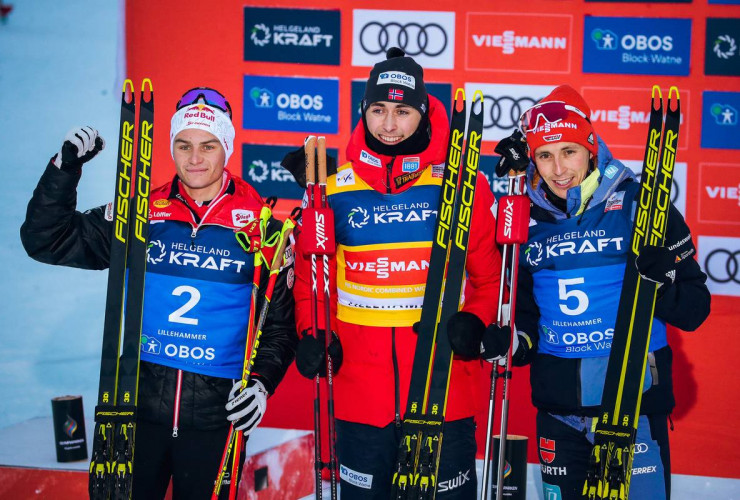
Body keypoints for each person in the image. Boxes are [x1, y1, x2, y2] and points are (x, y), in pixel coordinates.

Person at [20, 87, 297, 499]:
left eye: (208, 145)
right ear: (170, 147)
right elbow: (47, 239)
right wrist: (65, 169)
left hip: (214, 419)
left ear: (228, 147)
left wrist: (260, 383)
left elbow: (279, 328)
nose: (195, 158)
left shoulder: (263, 230)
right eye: (183, 145)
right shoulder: (139, 217)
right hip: (136, 413)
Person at [289, 48, 504, 499]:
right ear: (364, 112)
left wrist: (476, 322)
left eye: (403, 111)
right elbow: (313, 283)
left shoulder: (462, 185)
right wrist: (314, 333)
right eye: (378, 110)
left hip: (443, 391)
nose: (389, 125)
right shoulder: (333, 189)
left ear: (422, 115)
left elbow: (490, 281)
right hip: (359, 398)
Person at [487, 85, 711, 500]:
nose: (558, 170)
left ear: (591, 148)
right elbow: (527, 323)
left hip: (633, 404)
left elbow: (695, 310)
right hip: (559, 414)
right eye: (545, 155)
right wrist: (509, 343)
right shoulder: (525, 222)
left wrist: (659, 284)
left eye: (568, 151)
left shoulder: (641, 205)